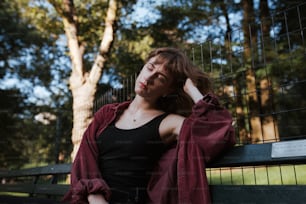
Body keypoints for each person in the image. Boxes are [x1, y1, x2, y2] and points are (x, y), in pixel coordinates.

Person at [63, 47, 235, 204]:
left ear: (168, 90)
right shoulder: (107, 114)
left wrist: (192, 90)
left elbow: (218, 132)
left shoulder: (169, 123)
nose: (150, 77)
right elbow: (85, 159)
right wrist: (95, 197)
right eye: (150, 68)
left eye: (161, 77)